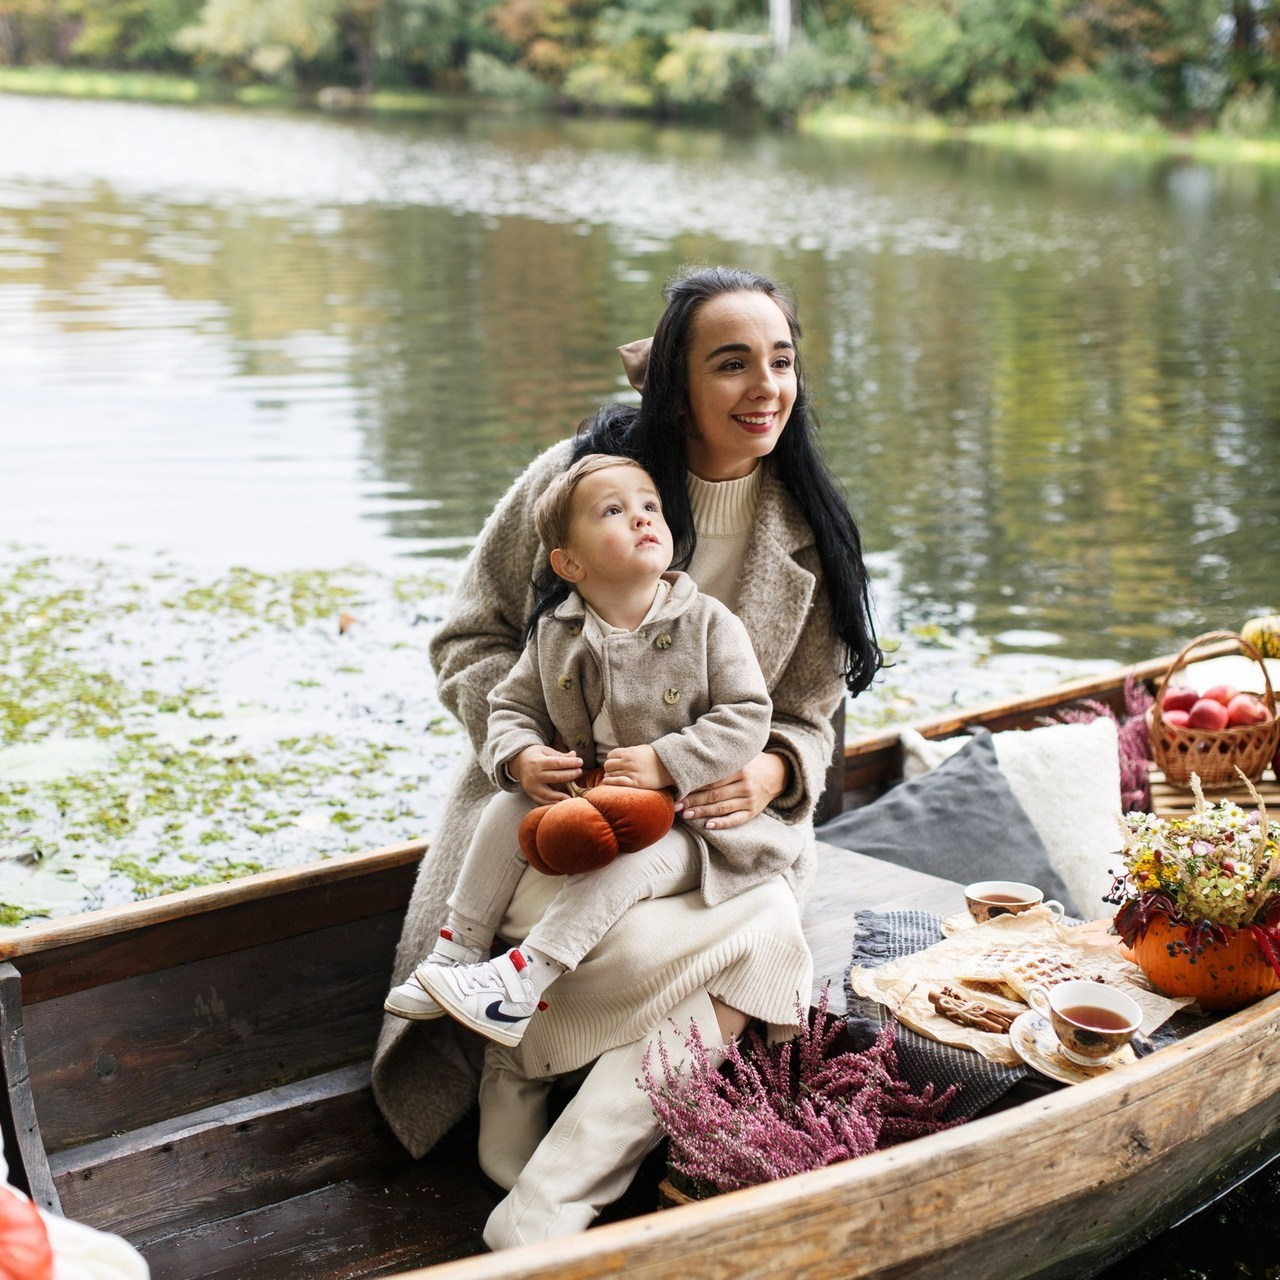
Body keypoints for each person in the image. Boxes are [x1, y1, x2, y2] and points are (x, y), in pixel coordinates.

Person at [371, 265, 882, 1247]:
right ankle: (539, 1140)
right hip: (551, 830)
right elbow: (468, 639)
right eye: (730, 365)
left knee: (762, 909)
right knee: (765, 940)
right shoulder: (578, 484)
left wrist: (770, 771)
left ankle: (537, 1171)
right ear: (673, 384)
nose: (764, 388)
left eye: (779, 361)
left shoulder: (808, 530)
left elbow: (809, 716)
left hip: (717, 838)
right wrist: (529, 755)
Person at [383, 452, 805, 1047]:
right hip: (594, 791)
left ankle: (523, 982)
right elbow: (510, 707)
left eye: (650, 505)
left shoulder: (707, 623)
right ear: (569, 562)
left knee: (630, 859)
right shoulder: (558, 630)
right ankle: (457, 950)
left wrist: (666, 761)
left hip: (690, 821)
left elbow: (747, 716)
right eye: (614, 510)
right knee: (503, 812)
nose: (641, 519)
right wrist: (522, 757)